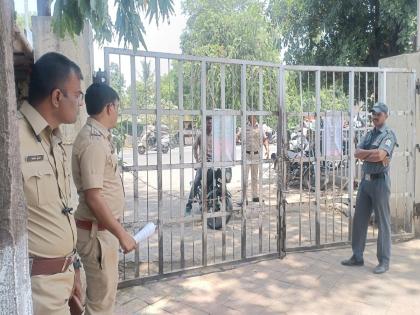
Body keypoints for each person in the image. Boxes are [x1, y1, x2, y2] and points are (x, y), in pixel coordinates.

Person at [18, 52, 84, 314]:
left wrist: (74, 268)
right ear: (57, 97)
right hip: (39, 290)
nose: (81, 103)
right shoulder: (12, 139)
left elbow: (60, 215)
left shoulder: (55, 141)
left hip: (66, 278)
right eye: (77, 95)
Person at [72, 83, 136, 314]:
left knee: (105, 297)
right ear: (109, 107)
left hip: (102, 231)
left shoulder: (101, 137)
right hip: (96, 233)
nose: (118, 112)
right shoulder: (93, 142)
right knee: (100, 303)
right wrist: (122, 235)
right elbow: (93, 197)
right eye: (117, 107)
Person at [341, 102, 397, 274]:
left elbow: (381, 155)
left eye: (378, 114)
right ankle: (357, 256)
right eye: (373, 114)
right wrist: (370, 155)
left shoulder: (388, 135)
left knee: (383, 222)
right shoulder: (369, 134)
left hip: (380, 182)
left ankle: (384, 261)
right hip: (365, 183)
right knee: (359, 220)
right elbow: (356, 152)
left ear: (386, 115)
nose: (375, 117)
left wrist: (368, 154)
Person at [185, 116, 213, 215]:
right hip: (202, 162)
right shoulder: (200, 134)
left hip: (214, 162)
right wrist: (197, 160)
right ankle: (188, 205)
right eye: (208, 123)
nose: (210, 125)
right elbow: (194, 147)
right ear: (205, 124)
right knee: (197, 181)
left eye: (211, 123)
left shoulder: (216, 134)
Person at [240, 115, 268, 205]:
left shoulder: (260, 128)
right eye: (248, 116)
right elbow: (237, 136)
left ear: (255, 116)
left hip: (256, 155)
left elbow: (264, 139)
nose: (250, 117)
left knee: (255, 176)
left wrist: (267, 149)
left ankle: (255, 196)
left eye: (252, 116)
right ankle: (244, 198)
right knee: (245, 177)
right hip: (246, 155)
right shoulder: (244, 127)